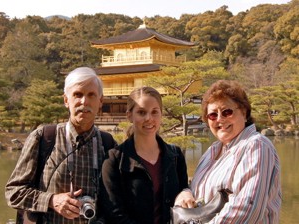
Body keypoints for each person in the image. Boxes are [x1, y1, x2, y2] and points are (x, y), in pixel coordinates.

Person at [5, 67, 117, 223]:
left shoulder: (108, 144)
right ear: (66, 100)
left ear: (100, 101)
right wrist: (51, 200)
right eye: (78, 94)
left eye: (91, 95)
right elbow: (13, 193)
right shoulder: (44, 138)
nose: (84, 101)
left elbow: (118, 201)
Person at [174, 80, 282, 223]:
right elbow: (199, 191)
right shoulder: (212, 152)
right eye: (213, 115)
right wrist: (185, 192)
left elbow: (247, 209)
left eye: (227, 112)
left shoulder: (256, 146)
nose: (220, 119)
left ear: (244, 113)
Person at [100, 86, 188, 224]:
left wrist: (187, 192)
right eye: (141, 112)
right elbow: (114, 213)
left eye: (154, 112)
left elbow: (183, 193)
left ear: (161, 114)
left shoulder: (175, 156)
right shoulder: (114, 160)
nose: (149, 118)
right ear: (129, 115)